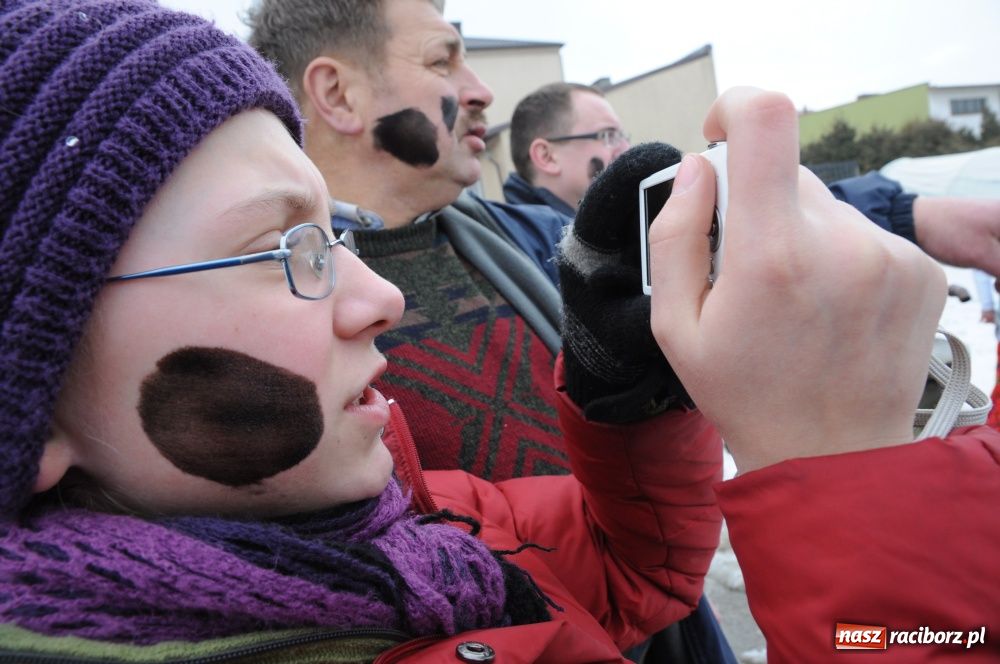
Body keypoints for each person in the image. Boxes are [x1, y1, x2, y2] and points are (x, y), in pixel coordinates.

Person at [3, 4, 998, 664]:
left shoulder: (410, 516)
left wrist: (626, 394)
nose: (375, 299)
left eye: (328, 236)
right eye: (282, 247)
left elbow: (623, 572)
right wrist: (856, 486)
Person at [506, 81, 630, 215]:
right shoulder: (521, 235)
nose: (627, 148)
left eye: (622, 136)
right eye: (608, 135)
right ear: (547, 157)